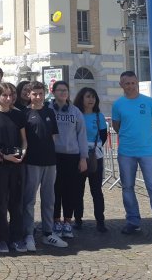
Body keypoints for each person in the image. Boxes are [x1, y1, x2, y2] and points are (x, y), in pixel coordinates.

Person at [112, 71, 152, 243]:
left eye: (133, 83)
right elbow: (117, 126)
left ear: (137, 83)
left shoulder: (149, 102)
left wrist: (146, 138)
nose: (131, 86)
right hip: (126, 151)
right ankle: (133, 222)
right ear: (121, 85)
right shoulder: (118, 104)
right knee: (127, 187)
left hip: (148, 151)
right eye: (127, 83)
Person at [22, 81, 67, 250]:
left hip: (50, 162)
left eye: (41, 93)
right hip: (32, 162)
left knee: (49, 199)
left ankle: (48, 233)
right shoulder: (25, 113)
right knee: (29, 200)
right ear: (29, 95)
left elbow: (54, 136)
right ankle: (28, 234)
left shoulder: (49, 112)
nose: (38, 97)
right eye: (35, 94)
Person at [0, 83, 28, 254]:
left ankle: (17, 238)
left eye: (10, 95)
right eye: (5, 95)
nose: (8, 98)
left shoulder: (18, 115)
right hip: (1, 163)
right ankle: (2, 238)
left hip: (17, 164)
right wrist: (3, 155)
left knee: (16, 203)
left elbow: (24, 139)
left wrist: (23, 152)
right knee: (1, 203)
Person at [50, 80, 88, 239]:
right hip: (54, 156)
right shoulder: (48, 110)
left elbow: (82, 135)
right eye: (59, 90)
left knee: (70, 191)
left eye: (65, 90)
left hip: (72, 156)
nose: (63, 93)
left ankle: (67, 221)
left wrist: (83, 158)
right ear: (53, 92)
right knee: (55, 191)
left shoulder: (76, 112)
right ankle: (56, 220)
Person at [72, 87, 108, 232]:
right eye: (88, 96)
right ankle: (78, 219)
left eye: (93, 97)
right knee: (78, 190)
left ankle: (100, 221)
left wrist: (93, 149)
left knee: (96, 190)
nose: (91, 99)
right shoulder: (76, 114)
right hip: (79, 156)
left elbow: (103, 136)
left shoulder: (99, 116)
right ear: (81, 98)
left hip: (95, 157)